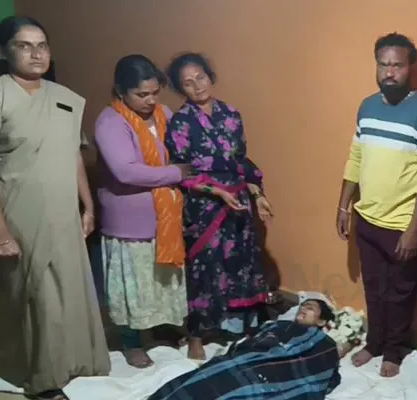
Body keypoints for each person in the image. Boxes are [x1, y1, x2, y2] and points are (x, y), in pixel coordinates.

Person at [0, 16, 109, 400]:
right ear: (4, 51)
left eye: (41, 45)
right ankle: (43, 380)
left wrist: (88, 206)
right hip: (20, 212)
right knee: (38, 295)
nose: (36, 53)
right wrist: (0, 233)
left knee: (70, 290)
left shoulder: (66, 98)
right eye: (24, 46)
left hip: (64, 211)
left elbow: (73, 155)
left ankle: (74, 363)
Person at [336, 32, 417, 377]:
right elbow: (355, 157)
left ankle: (394, 350)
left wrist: (415, 230)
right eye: (383, 64)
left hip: (402, 225)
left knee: (400, 293)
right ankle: (375, 342)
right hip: (367, 218)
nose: (389, 72)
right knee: (374, 288)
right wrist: (343, 206)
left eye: (397, 65)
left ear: (410, 68)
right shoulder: (366, 107)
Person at [164, 52, 274, 360]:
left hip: (237, 200)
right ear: (180, 89)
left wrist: (258, 194)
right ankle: (196, 334)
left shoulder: (231, 114)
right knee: (204, 268)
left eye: (200, 77)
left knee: (241, 262)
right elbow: (182, 171)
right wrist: (216, 192)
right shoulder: (181, 122)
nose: (197, 86)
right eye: (188, 83)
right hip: (204, 205)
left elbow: (241, 161)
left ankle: (240, 326)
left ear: (210, 76)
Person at [94, 55, 196, 368]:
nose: (150, 100)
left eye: (154, 92)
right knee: (134, 286)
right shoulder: (111, 122)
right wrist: (175, 173)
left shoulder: (164, 114)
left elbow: (181, 150)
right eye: (141, 94)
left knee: (162, 282)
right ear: (121, 91)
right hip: (129, 223)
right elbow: (126, 171)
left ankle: (163, 326)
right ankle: (131, 342)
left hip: (165, 219)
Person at [148, 298, 341, 399]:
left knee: (244, 389)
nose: (303, 309)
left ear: (321, 321)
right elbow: (248, 342)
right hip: (245, 363)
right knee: (204, 381)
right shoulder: (277, 325)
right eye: (302, 306)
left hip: (272, 377)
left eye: (310, 308)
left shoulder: (324, 343)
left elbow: (325, 372)